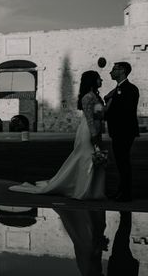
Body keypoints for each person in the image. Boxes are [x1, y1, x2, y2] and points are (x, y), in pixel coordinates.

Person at [9, 70, 106, 199]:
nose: (101, 81)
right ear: (93, 80)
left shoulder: (95, 96)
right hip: (88, 130)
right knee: (87, 158)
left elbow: (100, 115)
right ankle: (83, 190)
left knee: (92, 158)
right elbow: (89, 118)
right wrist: (94, 135)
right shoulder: (88, 97)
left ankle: (91, 189)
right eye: (99, 78)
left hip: (95, 129)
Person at [104, 61, 140, 202]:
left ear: (123, 71)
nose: (111, 72)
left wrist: (107, 108)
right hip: (119, 131)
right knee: (120, 162)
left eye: (114, 69)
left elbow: (125, 111)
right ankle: (122, 191)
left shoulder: (130, 89)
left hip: (124, 131)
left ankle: (126, 193)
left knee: (123, 162)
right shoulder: (119, 89)